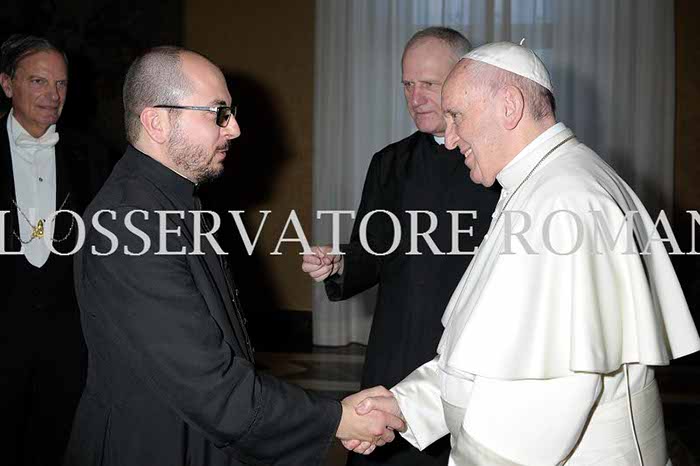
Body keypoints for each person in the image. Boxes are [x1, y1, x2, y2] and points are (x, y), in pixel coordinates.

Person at [349, 41, 700, 465]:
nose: (450, 138)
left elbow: (542, 409)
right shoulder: (538, 184)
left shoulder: (566, 201)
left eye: (457, 116)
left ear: (509, 106)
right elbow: (493, 352)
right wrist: (405, 405)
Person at [64, 46, 405, 466]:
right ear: (156, 122)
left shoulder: (166, 202)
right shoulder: (128, 223)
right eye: (218, 113)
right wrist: (338, 419)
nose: (235, 128)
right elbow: (213, 389)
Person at [302, 27, 500, 466]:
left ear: (462, 82)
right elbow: (371, 251)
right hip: (397, 346)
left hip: (473, 350)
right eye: (407, 84)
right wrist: (339, 263)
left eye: (429, 83)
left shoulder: (499, 164)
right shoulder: (389, 163)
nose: (416, 97)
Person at [0, 34, 111, 466]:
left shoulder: (92, 155)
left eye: (61, 83)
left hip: (67, 341)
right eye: (38, 81)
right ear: (7, 84)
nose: (53, 94)